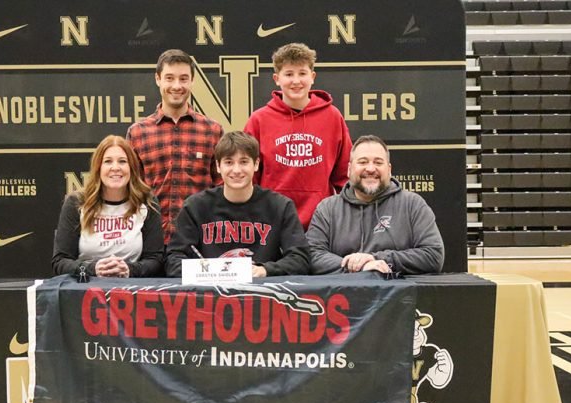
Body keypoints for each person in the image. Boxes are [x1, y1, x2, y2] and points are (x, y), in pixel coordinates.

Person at [165, 131, 310, 278]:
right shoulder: (195, 207)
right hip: (210, 289)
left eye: (244, 162)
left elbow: (300, 259)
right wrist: (211, 272)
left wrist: (265, 270)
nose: (236, 170)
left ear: (256, 164)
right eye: (228, 162)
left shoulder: (280, 206)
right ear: (218, 166)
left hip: (262, 288)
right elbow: (173, 260)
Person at [244, 42, 352, 230]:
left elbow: (345, 175)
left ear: (312, 77)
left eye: (302, 73)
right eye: (289, 74)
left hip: (321, 224)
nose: (296, 81)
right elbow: (249, 176)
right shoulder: (259, 120)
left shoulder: (332, 117)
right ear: (277, 79)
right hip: (271, 223)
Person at [306, 135, 444, 275]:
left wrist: (378, 259)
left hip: (397, 289)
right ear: (349, 169)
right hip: (342, 289)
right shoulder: (327, 209)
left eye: (378, 162)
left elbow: (433, 255)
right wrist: (357, 266)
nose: (371, 169)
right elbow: (311, 255)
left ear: (389, 170)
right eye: (363, 162)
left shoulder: (413, 204)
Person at [126, 49, 224, 245]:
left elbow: (222, 189)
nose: (177, 86)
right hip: (151, 242)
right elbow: (129, 191)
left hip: (201, 241)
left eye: (183, 79)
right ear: (158, 79)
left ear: (192, 81)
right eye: (169, 78)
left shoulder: (212, 130)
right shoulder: (138, 132)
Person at [52, 135, 164, 278]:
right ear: (98, 168)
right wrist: (93, 269)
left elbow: (155, 259)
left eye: (122, 161)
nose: (115, 168)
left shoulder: (147, 202)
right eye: (108, 161)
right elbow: (60, 261)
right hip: (86, 286)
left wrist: (129, 269)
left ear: (132, 168)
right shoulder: (76, 203)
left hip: (130, 286)